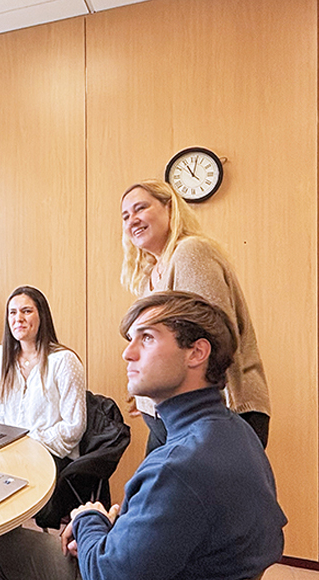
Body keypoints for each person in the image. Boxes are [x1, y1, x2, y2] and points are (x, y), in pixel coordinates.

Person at [0, 291, 286, 580]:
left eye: (147, 338)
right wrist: (115, 527)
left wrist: (88, 518)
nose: (128, 353)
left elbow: (104, 572)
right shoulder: (238, 432)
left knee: (4, 546)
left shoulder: (175, 468)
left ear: (197, 353)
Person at [120, 179, 270, 450]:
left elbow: (213, 336)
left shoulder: (190, 253)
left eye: (140, 208)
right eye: (125, 216)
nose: (132, 220)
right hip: (168, 415)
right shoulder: (148, 278)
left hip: (214, 414)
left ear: (169, 207)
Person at [0, 286, 86, 464]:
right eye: (12, 312)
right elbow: (0, 412)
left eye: (26, 311)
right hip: (12, 453)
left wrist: (29, 443)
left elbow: (74, 427)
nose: (18, 318)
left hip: (51, 455)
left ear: (42, 316)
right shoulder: (0, 356)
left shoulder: (64, 360)